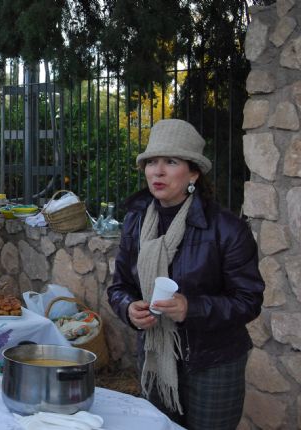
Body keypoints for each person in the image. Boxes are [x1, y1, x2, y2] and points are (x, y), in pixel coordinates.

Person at [107, 119, 265, 430]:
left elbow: (248, 300)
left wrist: (191, 308)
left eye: (171, 161)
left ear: (193, 172)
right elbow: (120, 286)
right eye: (151, 161)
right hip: (155, 358)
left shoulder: (227, 228)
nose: (158, 171)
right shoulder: (136, 222)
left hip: (213, 363)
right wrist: (128, 308)